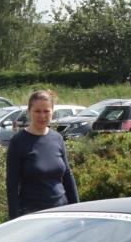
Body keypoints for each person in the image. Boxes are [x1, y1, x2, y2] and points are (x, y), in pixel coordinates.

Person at [6, 89, 79, 219]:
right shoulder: (18, 141)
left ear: (52, 112)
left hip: (62, 210)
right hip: (33, 214)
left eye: (46, 111)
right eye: (37, 111)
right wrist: (13, 219)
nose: (42, 116)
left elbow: (67, 176)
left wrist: (77, 210)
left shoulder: (57, 138)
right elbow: (12, 184)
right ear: (29, 111)